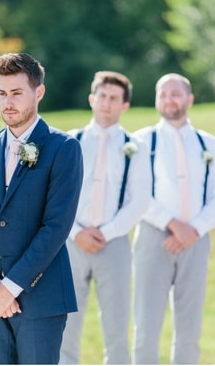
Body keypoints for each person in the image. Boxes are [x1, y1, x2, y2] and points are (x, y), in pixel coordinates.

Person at [0, 53, 83, 364]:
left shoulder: (64, 148)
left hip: (40, 298)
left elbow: (56, 226)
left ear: (38, 93)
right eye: (2, 93)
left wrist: (11, 287)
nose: (7, 103)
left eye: (16, 93)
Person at [131, 74, 215, 364]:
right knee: (146, 325)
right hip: (152, 237)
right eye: (164, 94)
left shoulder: (207, 143)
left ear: (189, 99)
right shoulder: (142, 141)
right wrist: (172, 224)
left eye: (176, 93)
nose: (170, 99)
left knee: (189, 327)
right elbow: (136, 192)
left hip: (196, 242)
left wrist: (193, 229)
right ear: (157, 100)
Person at [60, 71, 149, 365]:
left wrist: (107, 232)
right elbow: (56, 196)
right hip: (72, 242)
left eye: (114, 98)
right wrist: (76, 233)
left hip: (115, 244)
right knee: (67, 324)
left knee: (116, 326)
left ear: (124, 105)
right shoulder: (70, 141)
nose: (107, 103)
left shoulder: (135, 147)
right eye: (102, 96)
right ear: (91, 99)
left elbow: (140, 200)